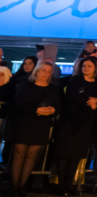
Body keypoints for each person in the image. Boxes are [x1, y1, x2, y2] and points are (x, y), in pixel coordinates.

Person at [9, 61, 61, 197]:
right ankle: (14, 187)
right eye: (43, 70)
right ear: (37, 71)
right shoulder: (26, 86)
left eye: (49, 71)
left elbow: (58, 106)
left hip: (41, 125)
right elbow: (18, 104)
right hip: (24, 122)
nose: (46, 73)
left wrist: (53, 110)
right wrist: (36, 110)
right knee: (19, 154)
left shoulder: (53, 89)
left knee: (32, 156)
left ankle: (22, 187)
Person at [54, 56, 97, 196]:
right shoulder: (75, 80)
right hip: (70, 121)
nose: (85, 68)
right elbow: (72, 97)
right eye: (84, 66)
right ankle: (61, 186)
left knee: (76, 155)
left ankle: (69, 184)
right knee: (64, 154)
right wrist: (90, 104)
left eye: (89, 66)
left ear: (95, 68)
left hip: (86, 124)